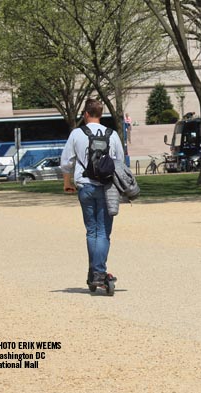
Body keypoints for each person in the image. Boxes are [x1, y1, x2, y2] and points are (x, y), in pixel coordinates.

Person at [61, 98, 125, 287]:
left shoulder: (76, 134)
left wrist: (67, 182)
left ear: (86, 114)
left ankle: (95, 271)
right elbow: (119, 161)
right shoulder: (112, 135)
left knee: (91, 231)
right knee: (103, 232)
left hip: (85, 187)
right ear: (101, 113)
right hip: (107, 187)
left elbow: (66, 162)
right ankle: (99, 272)